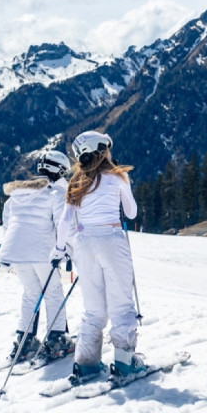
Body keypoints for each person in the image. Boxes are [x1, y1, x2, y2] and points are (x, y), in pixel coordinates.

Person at [52, 130, 141, 383]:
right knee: (122, 304)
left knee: (93, 309)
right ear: (101, 150)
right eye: (108, 148)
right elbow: (132, 213)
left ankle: (86, 363)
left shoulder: (76, 182)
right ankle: (125, 364)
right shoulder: (118, 176)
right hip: (111, 239)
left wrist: (59, 249)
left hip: (84, 243)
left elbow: (65, 221)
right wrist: (124, 187)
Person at [0, 150, 75, 362]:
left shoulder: (18, 194)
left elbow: (8, 224)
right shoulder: (56, 193)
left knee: (31, 293)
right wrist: (68, 250)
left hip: (16, 253)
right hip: (43, 253)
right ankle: (57, 338)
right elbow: (63, 224)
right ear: (58, 170)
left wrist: (7, 251)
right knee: (53, 292)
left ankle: (24, 342)